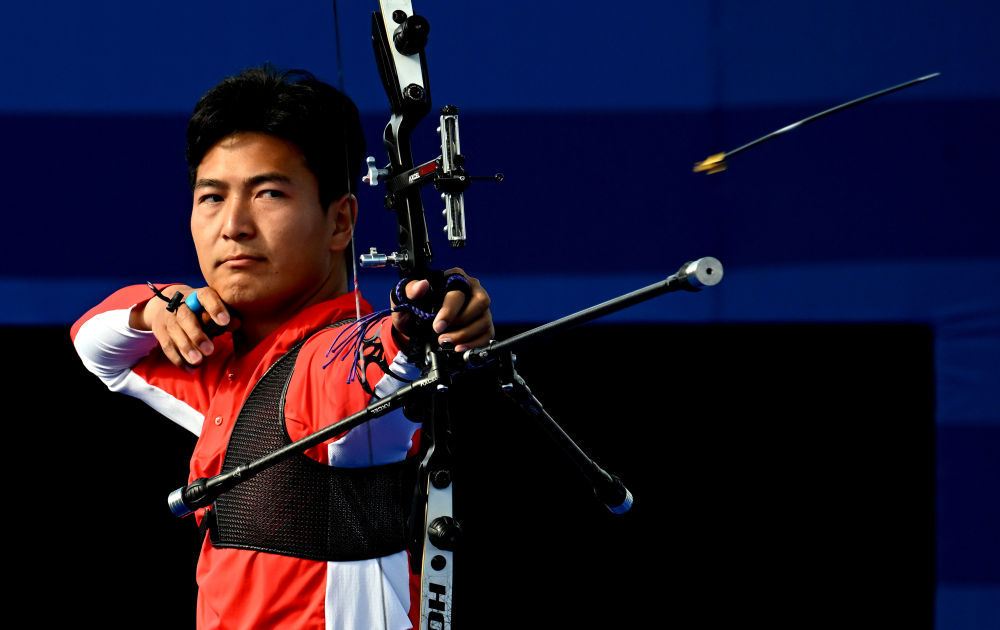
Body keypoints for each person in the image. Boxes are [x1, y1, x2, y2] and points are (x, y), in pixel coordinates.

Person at [70, 66, 493, 630]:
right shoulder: (223, 361)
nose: (234, 225)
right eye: (212, 196)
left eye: (268, 193)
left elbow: (373, 360)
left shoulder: (330, 360)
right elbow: (95, 344)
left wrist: (428, 312)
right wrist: (154, 309)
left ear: (340, 221)